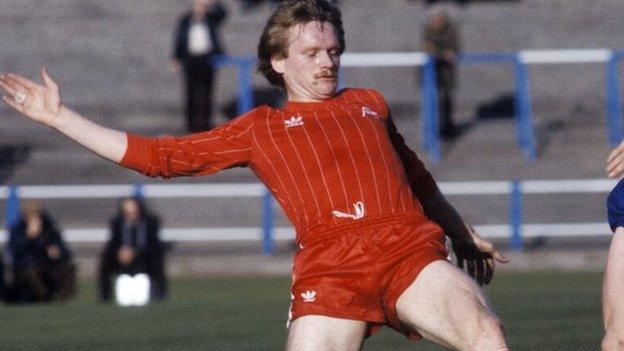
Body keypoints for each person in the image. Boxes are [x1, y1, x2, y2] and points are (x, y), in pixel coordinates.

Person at [0, 0, 509, 349]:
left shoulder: (369, 104)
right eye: (311, 53)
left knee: (486, 332)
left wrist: (461, 233)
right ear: (277, 61)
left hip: (406, 249)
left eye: (333, 51)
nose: (327, 62)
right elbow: (158, 157)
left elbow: (418, 181)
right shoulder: (260, 128)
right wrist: (59, 118)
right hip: (330, 268)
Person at [171, 0, 227, 132]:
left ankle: (205, 124)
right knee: (190, 93)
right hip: (190, 60)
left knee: (207, 93)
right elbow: (179, 39)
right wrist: (176, 57)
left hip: (207, 59)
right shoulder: (185, 20)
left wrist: (214, 3)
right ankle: (191, 125)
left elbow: (223, 13)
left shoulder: (212, 19)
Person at [98, 197, 167, 302]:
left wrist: (135, 252)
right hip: (122, 256)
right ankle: (105, 297)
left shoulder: (150, 222)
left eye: (134, 212)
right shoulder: (117, 223)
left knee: (157, 260)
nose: (131, 215)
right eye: (127, 213)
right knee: (105, 261)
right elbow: (113, 243)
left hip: (145, 256)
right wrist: (119, 252)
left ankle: (159, 294)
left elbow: (153, 243)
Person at [4, 201, 75, 303]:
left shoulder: (49, 228)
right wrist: (29, 238)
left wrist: (57, 251)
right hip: (26, 267)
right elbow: (15, 251)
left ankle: (64, 299)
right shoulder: (17, 230)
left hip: (47, 264)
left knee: (68, 267)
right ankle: (43, 296)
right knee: (30, 272)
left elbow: (63, 248)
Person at [422, 7, 461, 140]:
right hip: (432, 71)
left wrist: (448, 54)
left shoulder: (451, 30)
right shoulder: (428, 30)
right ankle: (433, 129)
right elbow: (427, 47)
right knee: (432, 100)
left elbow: (454, 49)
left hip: (446, 71)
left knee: (446, 99)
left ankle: (447, 127)